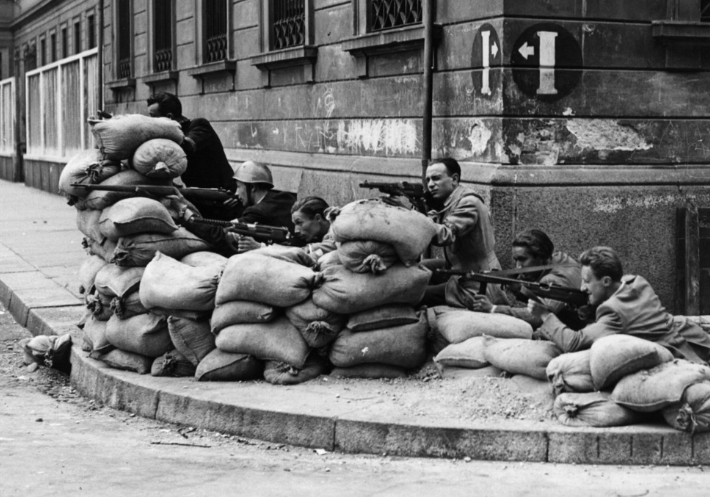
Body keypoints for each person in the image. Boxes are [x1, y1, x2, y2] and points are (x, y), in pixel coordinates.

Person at [529, 246, 710, 363]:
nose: (582, 287)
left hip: (679, 360)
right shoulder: (636, 281)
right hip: (690, 343)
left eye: (587, 281)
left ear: (606, 281)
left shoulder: (612, 311)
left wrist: (545, 314)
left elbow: (573, 342)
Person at [420, 158, 507, 308]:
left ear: (454, 179)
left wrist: (418, 220)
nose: (430, 185)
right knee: (422, 267)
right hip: (460, 268)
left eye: (436, 178)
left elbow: (445, 235)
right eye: (428, 180)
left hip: (477, 280)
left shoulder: (468, 202)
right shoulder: (450, 200)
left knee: (419, 294)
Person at [172, 161, 301, 255]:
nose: (236, 193)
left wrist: (185, 213)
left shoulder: (257, 212)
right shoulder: (285, 198)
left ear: (253, 188)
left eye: (239, 187)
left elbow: (219, 234)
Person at [471, 229, 586, 330]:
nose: (518, 266)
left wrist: (493, 308)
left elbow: (538, 316)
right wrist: (519, 289)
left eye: (522, 259)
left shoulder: (554, 280)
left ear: (542, 257)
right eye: (516, 260)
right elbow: (542, 300)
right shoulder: (559, 259)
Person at [147, 92, 236, 220]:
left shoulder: (199, 126)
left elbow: (186, 147)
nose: (150, 122)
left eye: (153, 117)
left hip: (224, 200)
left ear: (169, 117)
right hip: (198, 199)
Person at [290, 196, 336, 261]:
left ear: (318, 218)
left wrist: (310, 249)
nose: (296, 230)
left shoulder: (338, 232)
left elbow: (332, 245)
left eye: (299, 222)